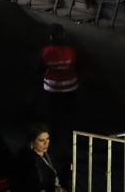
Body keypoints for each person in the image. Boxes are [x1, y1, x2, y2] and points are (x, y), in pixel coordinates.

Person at [41, 22, 78, 164]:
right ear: (63, 35)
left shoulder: (46, 52)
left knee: (52, 117)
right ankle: (71, 144)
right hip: (70, 88)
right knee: (70, 117)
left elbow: (38, 68)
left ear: (50, 37)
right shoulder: (71, 51)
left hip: (52, 89)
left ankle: (51, 144)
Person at [16, 125, 65, 192]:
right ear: (32, 142)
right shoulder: (28, 160)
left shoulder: (50, 153)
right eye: (41, 140)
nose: (46, 143)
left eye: (47, 139)